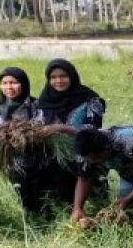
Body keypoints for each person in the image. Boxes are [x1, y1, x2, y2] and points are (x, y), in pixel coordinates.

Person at [34, 58, 106, 208]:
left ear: (72, 76)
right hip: (56, 159)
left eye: (63, 76)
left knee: (95, 200)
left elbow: (94, 131)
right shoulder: (44, 100)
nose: (58, 81)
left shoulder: (91, 100)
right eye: (53, 77)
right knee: (62, 201)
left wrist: (61, 128)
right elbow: (39, 126)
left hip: (86, 155)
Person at [0, 66, 52, 216]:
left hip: (37, 162)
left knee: (41, 193)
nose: (9, 87)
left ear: (23, 84)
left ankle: (47, 217)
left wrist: (21, 134)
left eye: (14, 82)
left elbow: (41, 129)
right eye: (4, 83)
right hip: (12, 162)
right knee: (22, 194)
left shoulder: (35, 106)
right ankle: (31, 219)